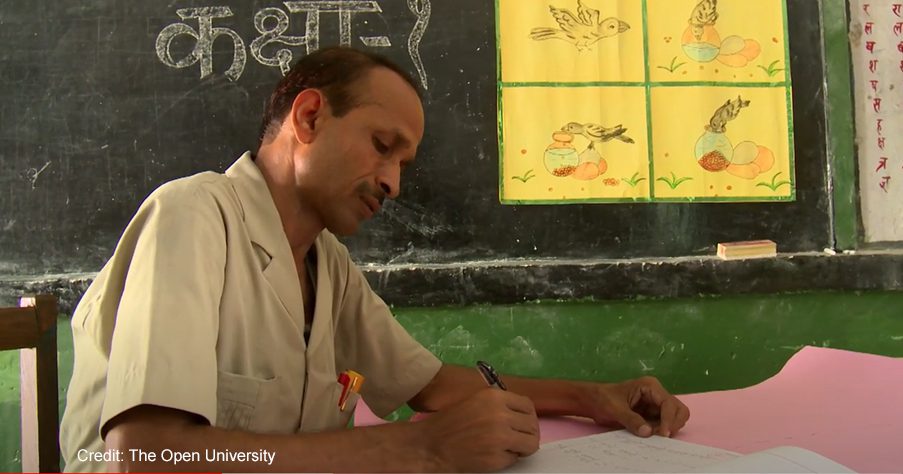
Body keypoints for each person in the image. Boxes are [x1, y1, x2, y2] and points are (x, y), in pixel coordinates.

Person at [60, 46, 689, 473]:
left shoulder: (324, 264)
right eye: (382, 147)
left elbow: (433, 387)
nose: (393, 183)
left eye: (403, 165)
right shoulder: (194, 216)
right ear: (308, 117)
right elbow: (148, 455)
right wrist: (419, 449)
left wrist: (593, 396)